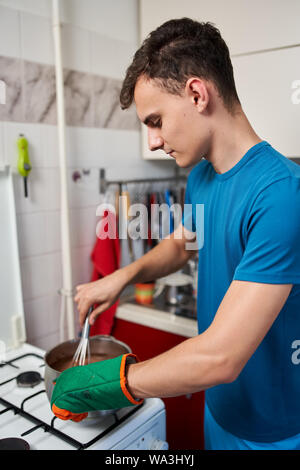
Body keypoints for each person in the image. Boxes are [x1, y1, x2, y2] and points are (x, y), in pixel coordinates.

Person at [51, 18, 300, 450]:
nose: (152, 141)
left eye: (156, 120)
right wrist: (123, 276)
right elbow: (183, 245)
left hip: (276, 431)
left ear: (197, 94)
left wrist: (104, 383)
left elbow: (221, 356)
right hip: (219, 410)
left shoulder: (281, 195)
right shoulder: (203, 176)